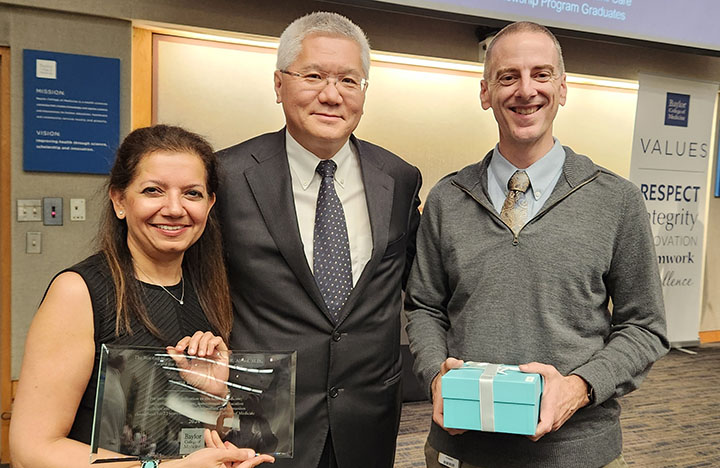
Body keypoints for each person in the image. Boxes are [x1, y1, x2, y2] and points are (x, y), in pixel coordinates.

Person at [404, 21, 669, 468]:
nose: (526, 90)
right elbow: (424, 307)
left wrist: (580, 387)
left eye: (541, 75)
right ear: (485, 93)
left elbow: (645, 326)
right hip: (462, 449)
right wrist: (435, 376)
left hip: (578, 453)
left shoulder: (616, 200)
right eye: (508, 77)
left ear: (563, 89)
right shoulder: (447, 198)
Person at [215, 11, 422, 468]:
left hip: (369, 417)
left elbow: (415, 285)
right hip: (261, 419)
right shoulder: (227, 175)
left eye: (349, 81)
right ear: (278, 84)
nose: (331, 95)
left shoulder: (400, 178)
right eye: (313, 76)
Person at [10, 125, 274, 468]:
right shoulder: (79, 292)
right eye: (153, 191)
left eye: (192, 194)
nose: (175, 208)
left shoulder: (212, 291)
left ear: (210, 205)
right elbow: (30, 450)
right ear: (120, 200)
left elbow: (200, 432)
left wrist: (213, 398)